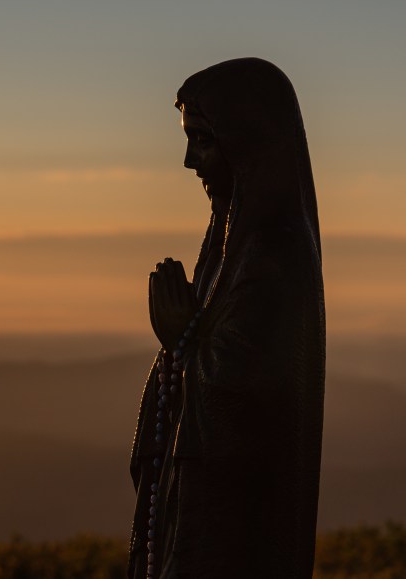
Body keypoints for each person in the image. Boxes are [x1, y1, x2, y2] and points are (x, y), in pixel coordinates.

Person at [127, 58, 325, 579]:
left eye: (203, 140)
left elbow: (248, 396)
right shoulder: (231, 245)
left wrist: (183, 337)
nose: (190, 161)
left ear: (248, 142)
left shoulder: (271, 255)